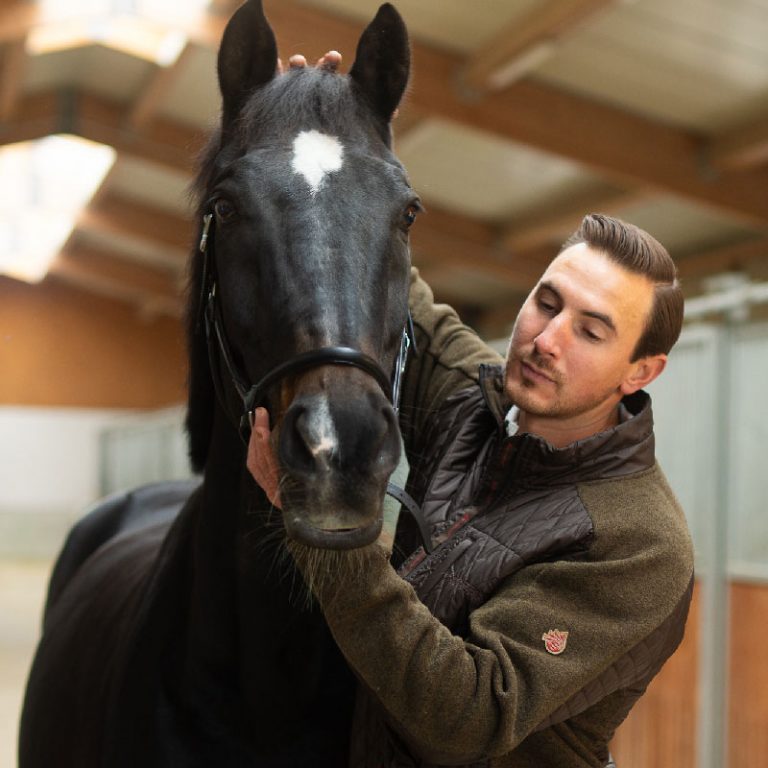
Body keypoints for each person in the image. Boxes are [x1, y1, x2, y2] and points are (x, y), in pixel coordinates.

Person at [250, 58, 693, 768]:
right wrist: (331, 138)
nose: (546, 340)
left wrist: (329, 525)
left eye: (591, 329)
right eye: (547, 302)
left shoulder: (638, 544)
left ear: (642, 371)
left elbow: (467, 716)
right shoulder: (475, 405)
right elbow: (401, 289)